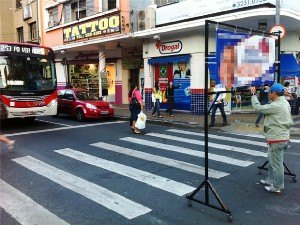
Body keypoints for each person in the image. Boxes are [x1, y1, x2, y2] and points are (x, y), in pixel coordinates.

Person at [249, 83, 293, 194]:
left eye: (269, 92)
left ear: (273, 93)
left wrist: (254, 94)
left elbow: (258, 107)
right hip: (282, 137)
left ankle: (277, 187)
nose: (268, 94)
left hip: (277, 138)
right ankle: (270, 180)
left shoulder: (276, 105)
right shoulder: (284, 102)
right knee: (272, 160)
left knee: (276, 164)